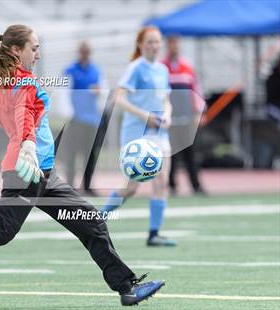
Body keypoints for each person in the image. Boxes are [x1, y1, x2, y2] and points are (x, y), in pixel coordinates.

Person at [0, 24, 164, 306]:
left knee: (91, 222)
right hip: (25, 171)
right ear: (17, 50)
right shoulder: (23, 83)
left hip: (43, 174)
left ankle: (127, 288)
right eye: (34, 48)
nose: (38, 54)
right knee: (0, 231)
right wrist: (27, 145)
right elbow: (23, 116)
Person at [100, 26, 176, 247]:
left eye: (157, 41)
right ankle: (98, 219)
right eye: (150, 42)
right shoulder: (135, 68)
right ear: (141, 45)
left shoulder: (162, 70)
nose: (155, 45)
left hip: (160, 133)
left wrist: (168, 116)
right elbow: (118, 99)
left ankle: (154, 234)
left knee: (162, 182)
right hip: (138, 134)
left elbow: (165, 100)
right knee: (132, 188)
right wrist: (145, 116)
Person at [162, 36, 206, 196]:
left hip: (187, 118)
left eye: (176, 44)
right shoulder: (161, 67)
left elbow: (196, 91)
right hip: (170, 119)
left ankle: (196, 186)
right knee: (171, 154)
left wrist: (198, 113)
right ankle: (172, 186)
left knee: (190, 153)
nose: (174, 47)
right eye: (171, 44)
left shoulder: (187, 66)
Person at [62, 41, 102, 196]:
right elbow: (63, 93)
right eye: (82, 51)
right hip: (76, 119)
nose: (85, 54)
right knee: (72, 153)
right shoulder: (70, 70)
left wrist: (99, 92)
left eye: (87, 51)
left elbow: (102, 91)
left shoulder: (96, 70)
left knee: (90, 154)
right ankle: (71, 186)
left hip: (92, 120)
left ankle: (88, 185)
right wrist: (70, 114)